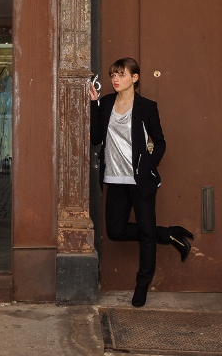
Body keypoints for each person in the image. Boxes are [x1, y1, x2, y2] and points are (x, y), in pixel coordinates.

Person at [89, 57, 193, 307]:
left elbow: (160, 142)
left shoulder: (146, 107)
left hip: (140, 180)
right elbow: (95, 139)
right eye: (113, 74)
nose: (115, 79)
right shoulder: (106, 103)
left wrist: (147, 164)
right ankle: (169, 234)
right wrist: (94, 104)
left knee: (147, 234)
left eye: (121, 74)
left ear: (134, 78)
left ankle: (142, 284)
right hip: (114, 178)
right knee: (115, 231)